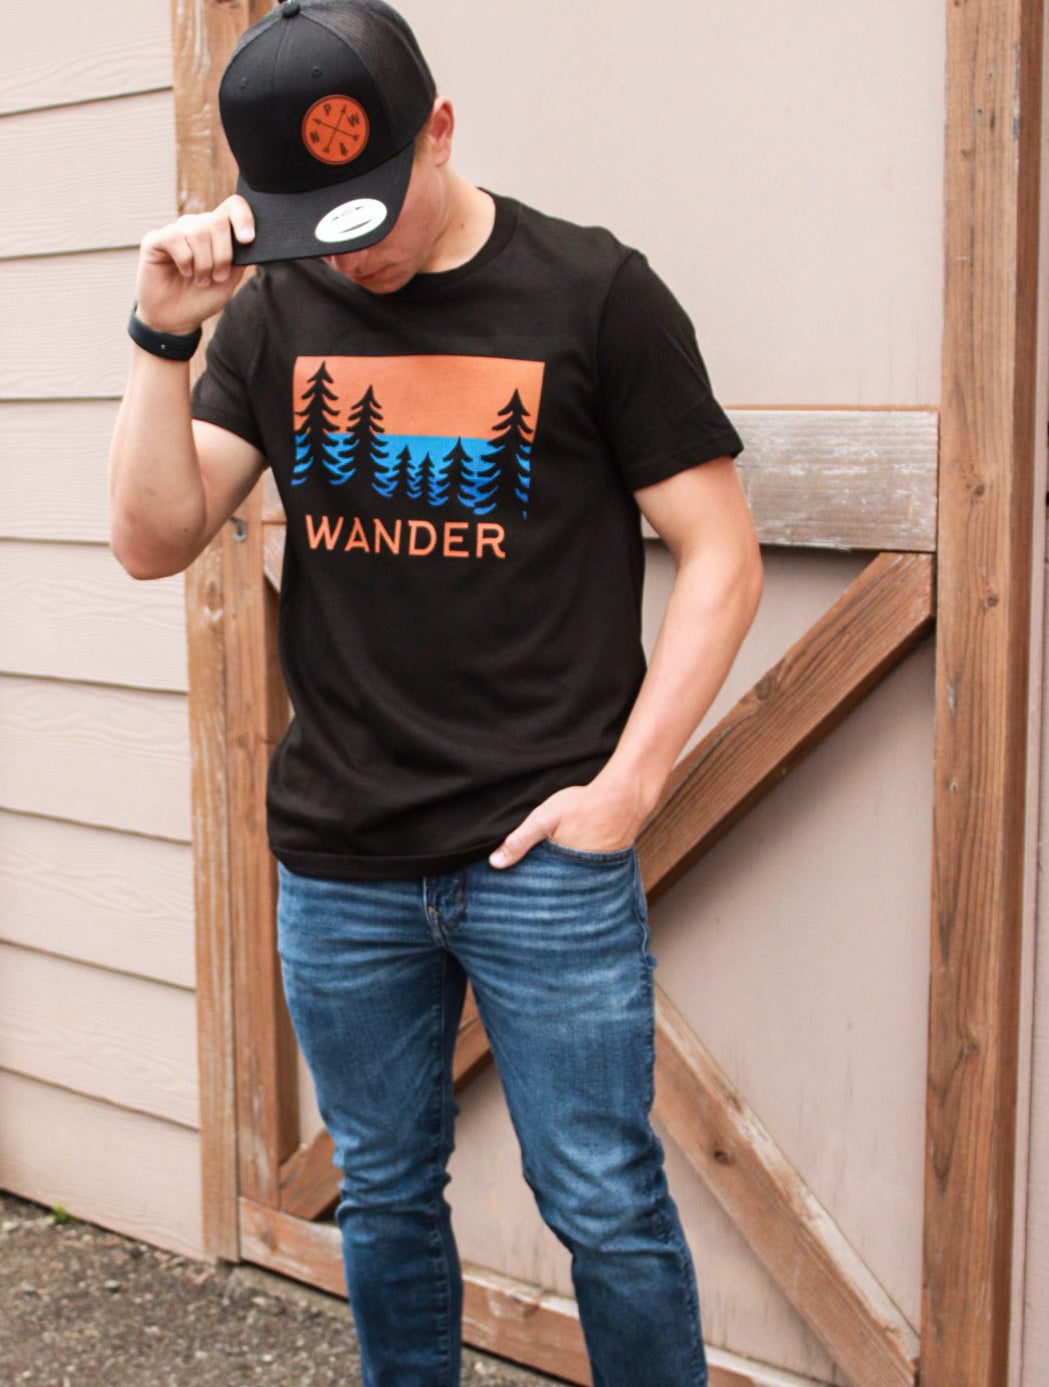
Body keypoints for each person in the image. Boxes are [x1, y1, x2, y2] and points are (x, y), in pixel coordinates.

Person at [109, 2, 762, 1383]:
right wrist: (161, 341)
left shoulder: (594, 292)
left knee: (604, 1205)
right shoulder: (277, 309)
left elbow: (720, 555)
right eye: (313, 223)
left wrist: (627, 789)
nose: (353, 253)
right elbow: (153, 540)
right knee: (387, 1194)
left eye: (368, 211)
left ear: (440, 130)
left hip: (542, 860)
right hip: (342, 860)